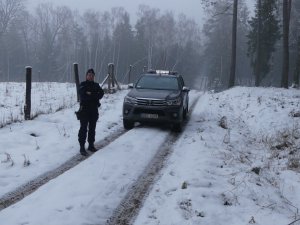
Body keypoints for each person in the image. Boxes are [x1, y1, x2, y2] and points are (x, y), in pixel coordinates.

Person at [78, 68, 104, 156]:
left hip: (93, 110)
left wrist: (90, 94)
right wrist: (94, 95)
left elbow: (101, 93)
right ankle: (82, 147)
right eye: (89, 75)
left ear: (94, 77)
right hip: (84, 110)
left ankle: (91, 145)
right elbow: (83, 96)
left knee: (92, 128)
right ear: (86, 76)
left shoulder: (96, 85)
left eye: (92, 75)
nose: (91, 76)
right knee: (83, 128)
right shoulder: (82, 85)